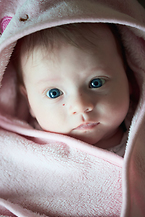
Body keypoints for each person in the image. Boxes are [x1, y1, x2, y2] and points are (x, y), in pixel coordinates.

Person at [12, 23, 135, 155]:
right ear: (29, 101)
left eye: (96, 83)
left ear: (128, 79)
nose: (80, 106)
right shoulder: (21, 152)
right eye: (54, 93)